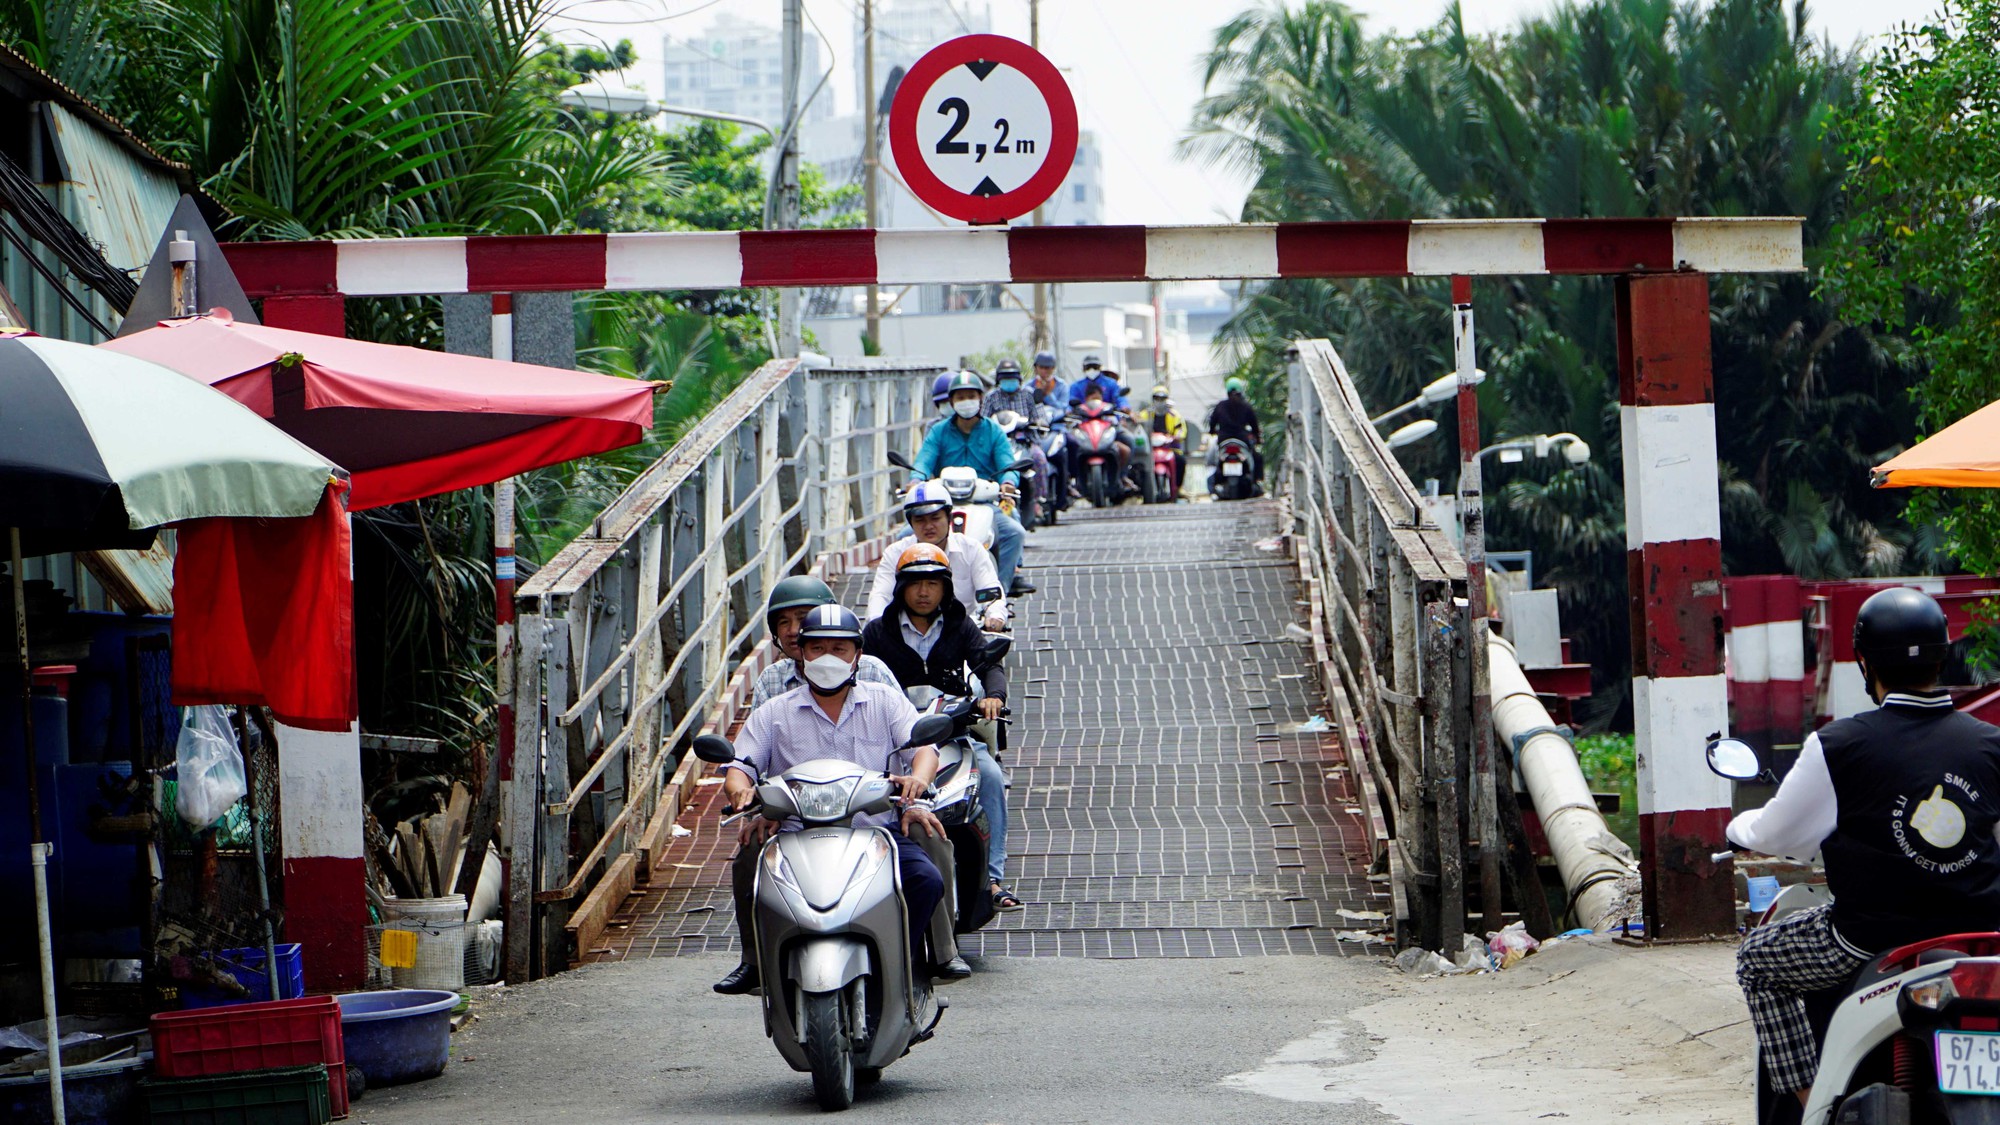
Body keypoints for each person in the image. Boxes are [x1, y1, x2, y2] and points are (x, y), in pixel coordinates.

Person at [1728, 587, 2000, 1106]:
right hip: (1979, 936)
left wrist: (1738, 827)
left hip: (1867, 939)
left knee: (1757, 961)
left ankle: (1815, 1101)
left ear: (1865, 663)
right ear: (1943, 655)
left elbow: (1778, 836)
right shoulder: (1989, 743)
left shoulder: (1840, 745)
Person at [713, 604, 952, 994]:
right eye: (817, 648)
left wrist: (917, 781)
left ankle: (903, 962)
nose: (828, 658)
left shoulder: (884, 702)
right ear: (801, 654)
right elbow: (741, 763)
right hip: (793, 834)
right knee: (749, 858)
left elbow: (923, 748)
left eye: (839, 649)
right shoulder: (775, 712)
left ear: (857, 655)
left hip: (875, 834)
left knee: (925, 879)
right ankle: (755, 961)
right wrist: (741, 789)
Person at [861, 545, 1022, 913]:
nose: (923, 592)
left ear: (945, 589)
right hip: (896, 741)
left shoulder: (960, 624)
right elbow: (858, 675)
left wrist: (993, 696)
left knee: (992, 776)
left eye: (932, 584)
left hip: (951, 730)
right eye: (915, 584)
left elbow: (986, 664)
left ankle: (992, 879)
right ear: (900, 587)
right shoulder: (876, 633)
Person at [912, 371, 1034, 596]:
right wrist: (916, 479)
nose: (966, 402)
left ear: (980, 399)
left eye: (971, 396)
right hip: (943, 504)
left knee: (1014, 531)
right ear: (951, 402)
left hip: (985, 502)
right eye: (960, 397)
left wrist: (1008, 482)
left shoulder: (994, 431)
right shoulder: (939, 431)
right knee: (904, 537)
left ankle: (1002, 592)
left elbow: (1007, 462)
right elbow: (924, 459)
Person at [869, 481, 1010, 629]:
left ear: (949, 518)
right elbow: (881, 595)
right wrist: (875, 626)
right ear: (911, 523)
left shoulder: (972, 549)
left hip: (962, 634)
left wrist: (995, 616)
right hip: (909, 635)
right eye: (920, 520)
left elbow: (991, 589)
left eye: (935, 518)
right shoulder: (895, 553)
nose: (929, 526)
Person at [752, 575, 900, 708]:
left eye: (803, 618)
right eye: (784, 622)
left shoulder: (872, 672)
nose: (793, 631)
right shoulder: (771, 680)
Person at [1066, 380, 1133, 499]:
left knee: (1127, 446)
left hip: (1107, 440)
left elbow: (1121, 406)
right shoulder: (1080, 412)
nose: (1095, 401)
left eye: (1098, 398)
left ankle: (1122, 476)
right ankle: (1073, 482)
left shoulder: (1109, 410)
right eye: (1092, 398)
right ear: (1086, 399)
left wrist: (1123, 410)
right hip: (1087, 442)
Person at [1206, 376, 1264, 496]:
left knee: (1215, 461)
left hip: (1223, 440)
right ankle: (1258, 482)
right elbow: (1255, 426)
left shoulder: (1220, 406)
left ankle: (1214, 485)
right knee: (1257, 458)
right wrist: (1257, 438)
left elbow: (1212, 423)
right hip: (1242, 439)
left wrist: (1212, 431)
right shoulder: (1246, 406)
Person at [1135, 384, 1188, 498]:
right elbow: (1138, 427)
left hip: (1169, 447)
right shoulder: (1145, 414)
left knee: (1181, 461)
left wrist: (1176, 436)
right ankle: (1141, 489)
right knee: (1138, 465)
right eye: (1157, 398)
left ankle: (1178, 488)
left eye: (1162, 399)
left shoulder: (1175, 415)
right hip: (1150, 449)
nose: (1160, 401)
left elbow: (1181, 430)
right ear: (1153, 399)